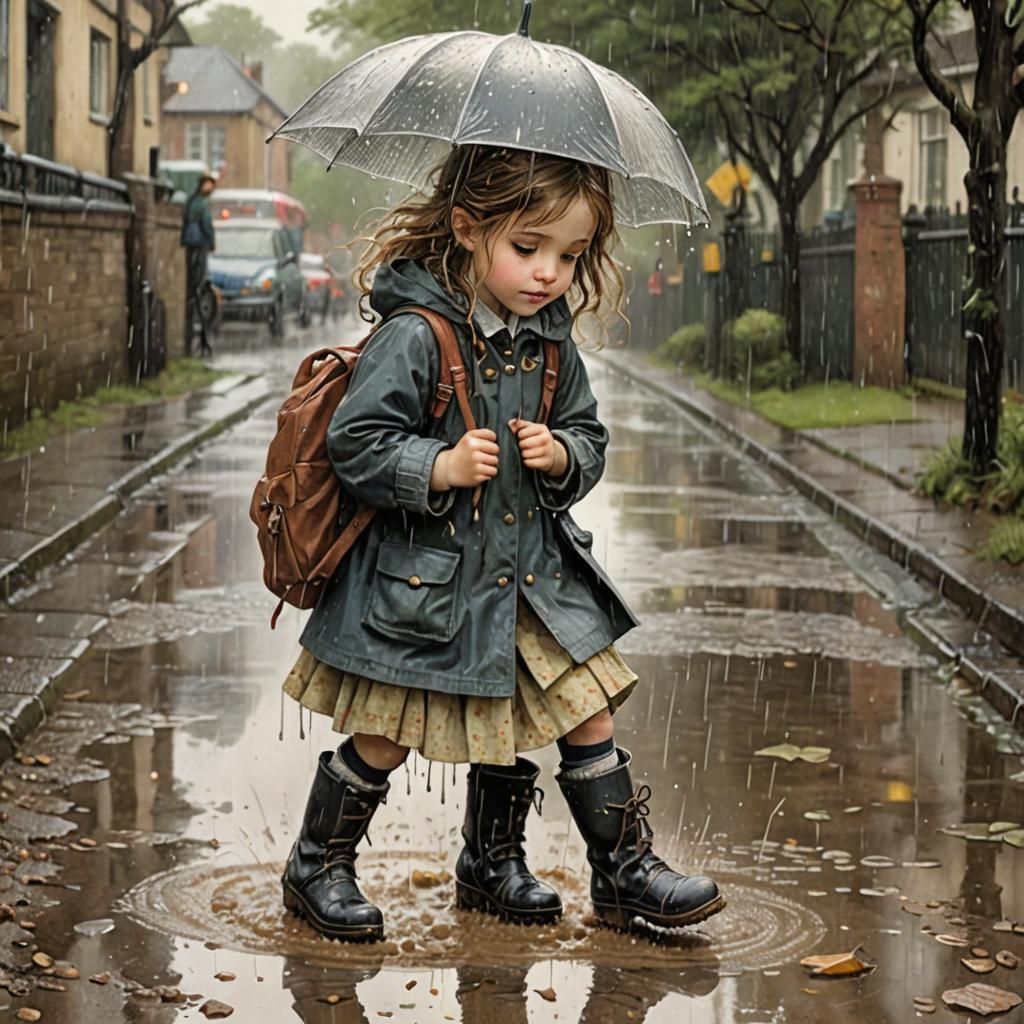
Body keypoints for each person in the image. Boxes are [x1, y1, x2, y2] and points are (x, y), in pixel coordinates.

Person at [279, 144, 724, 943]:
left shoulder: (550, 340)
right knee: (384, 734)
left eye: (570, 254)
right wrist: (437, 463)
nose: (549, 272)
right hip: (428, 588)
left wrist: (565, 455)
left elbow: (588, 431)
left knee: (584, 713)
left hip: (531, 580)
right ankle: (317, 865)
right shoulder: (417, 335)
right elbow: (357, 443)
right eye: (528, 248)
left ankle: (596, 870)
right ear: (465, 228)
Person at [180, 172, 216, 357]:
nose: (209, 188)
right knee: (197, 282)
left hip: (191, 240)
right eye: (207, 184)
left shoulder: (192, 200)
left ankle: (195, 295)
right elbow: (206, 223)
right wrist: (211, 241)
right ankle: (196, 294)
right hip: (198, 241)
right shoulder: (201, 202)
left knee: (195, 283)